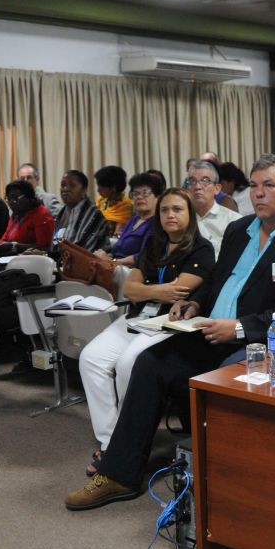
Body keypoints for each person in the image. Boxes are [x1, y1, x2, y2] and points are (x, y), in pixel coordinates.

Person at [64, 154, 275, 510]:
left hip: (258, 342)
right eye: (253, 186)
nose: (258, 194)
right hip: (208, 329)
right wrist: (195, 303)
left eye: (269, 185)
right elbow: (217, 282)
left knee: (222, 382)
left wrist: (238, 327)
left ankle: (230, 490)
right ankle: (119, 474)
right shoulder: (240, 230)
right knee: (149, 363)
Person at [78, 188, 214, 474]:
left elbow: (181, 289)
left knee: (129, 364)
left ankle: (128, 441)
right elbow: (129, 288)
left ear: (189, 215)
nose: (170, 215)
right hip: (137, 318)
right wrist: (156, 291)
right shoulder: (153, 244)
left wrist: (147, 290)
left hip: (169, 324)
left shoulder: (202, 249)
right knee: (90, 358)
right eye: (164, 210)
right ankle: (111, 438)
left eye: (177, 209)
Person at [94, 172, 165, 267]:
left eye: (145, 193)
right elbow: (117, 249)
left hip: (133, 272)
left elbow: (144, 256)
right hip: (115, 267)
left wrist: (113, 261)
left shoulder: (157, 223)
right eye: (135, 193)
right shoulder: (134, 220)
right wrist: (104, 257)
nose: (139, 197)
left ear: (158, 197)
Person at [186, 160, 241, 259]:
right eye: (192, 181)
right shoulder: (183, 219)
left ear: (217, 189)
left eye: (205, 181)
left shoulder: (234, 221)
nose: (198, 187)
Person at [52, 169, 110, 252]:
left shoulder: (93, 215)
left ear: (84, 190)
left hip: (89, 262)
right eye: (63, 185)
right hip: (63, 261)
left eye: (72, 185)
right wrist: (44, 254)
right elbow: (56, 244)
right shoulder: (61, 213)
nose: (65, 189)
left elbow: (82, 251)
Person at [0, 180, 55, 256]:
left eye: (15, 198)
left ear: (28, 197)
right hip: (11, 257)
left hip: (32, 260)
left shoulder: (41, 215)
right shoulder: (16, 215)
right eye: (9, 199)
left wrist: (15, 246)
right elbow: (5, 239)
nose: (11, 202)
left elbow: (44, 247)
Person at [94, 166, 132, 237]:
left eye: (101, 187)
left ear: (113, 188)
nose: (98, 190)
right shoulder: (101, 201)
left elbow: (118, 234)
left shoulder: (126, 205)